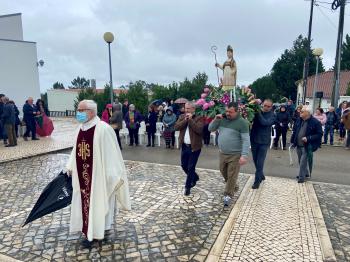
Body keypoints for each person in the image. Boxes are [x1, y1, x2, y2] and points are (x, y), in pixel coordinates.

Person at [66, 100, 131, 248]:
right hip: (83, 177)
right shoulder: (80, 129)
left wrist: (111, 176)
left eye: (81, 110)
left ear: (91, 111)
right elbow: (75, 150)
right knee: (85, 203)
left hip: (98, 177)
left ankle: (98, 233)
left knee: (99, 202)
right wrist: (70, 166)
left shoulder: (103, 129)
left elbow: (112, 154)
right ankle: (88, 230)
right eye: (78, 110)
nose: (78, 113)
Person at [208, 102, 250, 206]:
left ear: (237, 111)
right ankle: (234, 185)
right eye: (226, 111)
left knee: (231, 174)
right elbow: (210, 129)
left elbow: (246, 140)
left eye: (230, 112)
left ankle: (228, 195)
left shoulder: (242, 123)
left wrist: (244, 155)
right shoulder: (222, 119)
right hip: (222, 153)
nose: (227, 113)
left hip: (235, 154)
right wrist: (215, 119)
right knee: (223, 171)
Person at [175, 102, 204, 196]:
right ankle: (195, 177)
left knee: (191, 167)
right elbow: (176, 127)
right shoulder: (182, 117)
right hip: (184, 146)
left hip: (194, 147)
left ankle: (187, 187)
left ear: (193, 109)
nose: (186, 110)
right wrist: (185, 120)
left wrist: (191, 120)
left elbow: (199, 130)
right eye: (185, 108)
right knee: (184, 166)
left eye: (188, 108)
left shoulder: (199, 118)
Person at [290, 106, 322, 183]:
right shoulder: (299, 120)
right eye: (300, 111)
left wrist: (308, 138)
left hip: (308, 145)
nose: (300, 112)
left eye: (302, 111)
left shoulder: (315, 122)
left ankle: (301, 177)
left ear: (308, 113)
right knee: (300, 160)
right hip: (298, 144)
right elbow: (295, 131)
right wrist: (292, 141)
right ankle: (306, 173)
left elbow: (319, 134)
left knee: (303, 162)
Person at [250, 99, 276, 189]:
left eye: (268, 106)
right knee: (255, 160)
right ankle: (261, 174)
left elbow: (264, 122)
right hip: (254, 139)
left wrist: (258, 113)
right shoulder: (258, 112)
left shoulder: (273, 115)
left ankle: (257, 181)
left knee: (260, 162)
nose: (266, 108)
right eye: (264, 105)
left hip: (264, 142)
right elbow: (250, 119)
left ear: (271, 107)